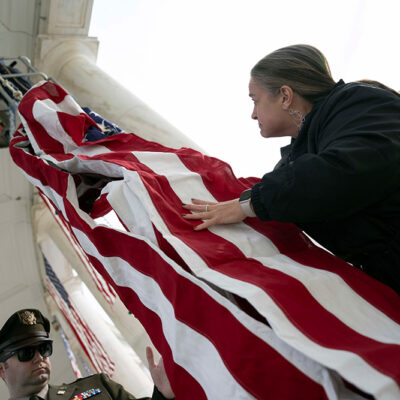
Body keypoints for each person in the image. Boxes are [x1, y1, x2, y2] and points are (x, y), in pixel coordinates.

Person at [182, 44, 400, 295]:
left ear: (285, 96)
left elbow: (343, 171)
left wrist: (247, 205)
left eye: (255, 100)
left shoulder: (360, 102)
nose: (253, 114)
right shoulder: (295, 161)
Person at [0, 309, 175, 400]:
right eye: (27, 353)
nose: (39, 357)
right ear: (2, 369)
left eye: (44, 349)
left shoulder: (98, 385)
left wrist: (162, 394)